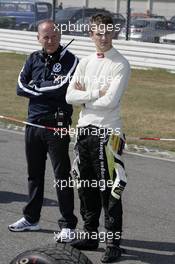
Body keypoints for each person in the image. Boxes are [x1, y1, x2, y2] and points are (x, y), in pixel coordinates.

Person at [66, 14, 130, 262]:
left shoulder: (120, 64)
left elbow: (110, 101)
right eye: (97, 33)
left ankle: (113, 243)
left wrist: (85, 97)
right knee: (86, 187)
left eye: (107, 32)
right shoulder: (85, 61)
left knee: (111, 190)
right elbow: (69, 96)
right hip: (83, 131)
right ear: (90, 34)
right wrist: (94, 93)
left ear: (113, 33)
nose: (103, 38)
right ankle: (91, 235)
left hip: (109, 133)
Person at [8, 19, 78, 242]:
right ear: (38, 37)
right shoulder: (32, 58)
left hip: (56, 125)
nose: (50, 41)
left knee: (62, 176)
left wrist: (35, 86)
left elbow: (61, 87)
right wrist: (42, 86)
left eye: (55, 37)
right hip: (33, 124)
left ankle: (68, 225)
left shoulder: (71, 60)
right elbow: (20, 87)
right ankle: (31, 219)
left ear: (60, 37)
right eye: (46, 37)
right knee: (34, 174)